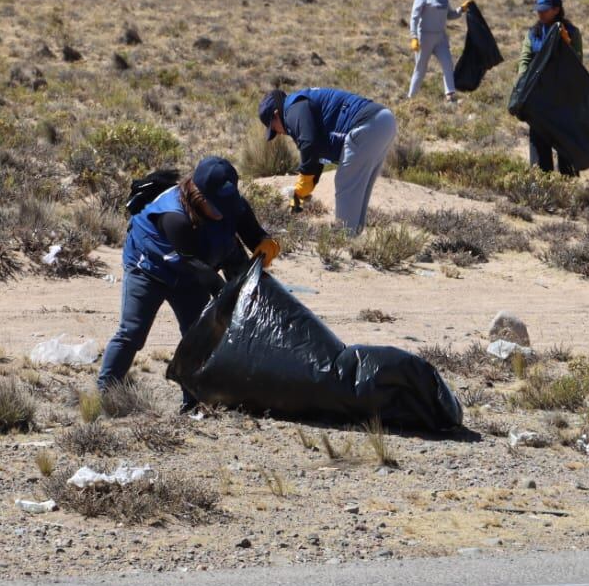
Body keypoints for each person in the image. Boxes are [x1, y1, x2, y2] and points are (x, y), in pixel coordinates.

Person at [100, 156, 279, 410]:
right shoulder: (175, 217)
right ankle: (104, 394)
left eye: (228, 204)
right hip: (150, 269)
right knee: (132, 332)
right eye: (217, 206)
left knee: (199, 336)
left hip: (193, 268)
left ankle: (194, 402)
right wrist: (228, 296)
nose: (223, 212)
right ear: (199, 196)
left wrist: (264, 243)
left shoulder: (229, 203)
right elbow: (199, 269)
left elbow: (250, 229)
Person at [258, 86, 397, 234]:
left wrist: (304, 181)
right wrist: (305, 189)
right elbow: (316, 152)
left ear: (276, 114)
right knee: (358, 187)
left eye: (273, 128)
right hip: (383, 121)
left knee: (346, 182)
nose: (278, 133)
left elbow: (309, 144)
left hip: (367, 124)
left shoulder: (293, 109)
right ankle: (353, 236)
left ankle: (344, 239)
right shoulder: (297, 107)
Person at [517, 0, 583, 176]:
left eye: (544, 10)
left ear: (556, 10)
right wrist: (523, 82)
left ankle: (569, 181)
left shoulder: (572, 32)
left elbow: (577, 64)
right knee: (539, 141)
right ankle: (541, 181)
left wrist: (567, 45)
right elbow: (525, 60)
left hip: (563, 96)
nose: (540, 13)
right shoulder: (533, 34)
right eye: (538, 10)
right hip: (538, 96)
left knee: (565, 141)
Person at [408, 0, 467, 102]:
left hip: (440, 38)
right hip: (425, 38)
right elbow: (414, 18)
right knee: (420, 68)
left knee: (448, 64)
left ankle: (450, 96)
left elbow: (450, 15)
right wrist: (414, 37)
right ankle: (411, 98)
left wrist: (461, 9)